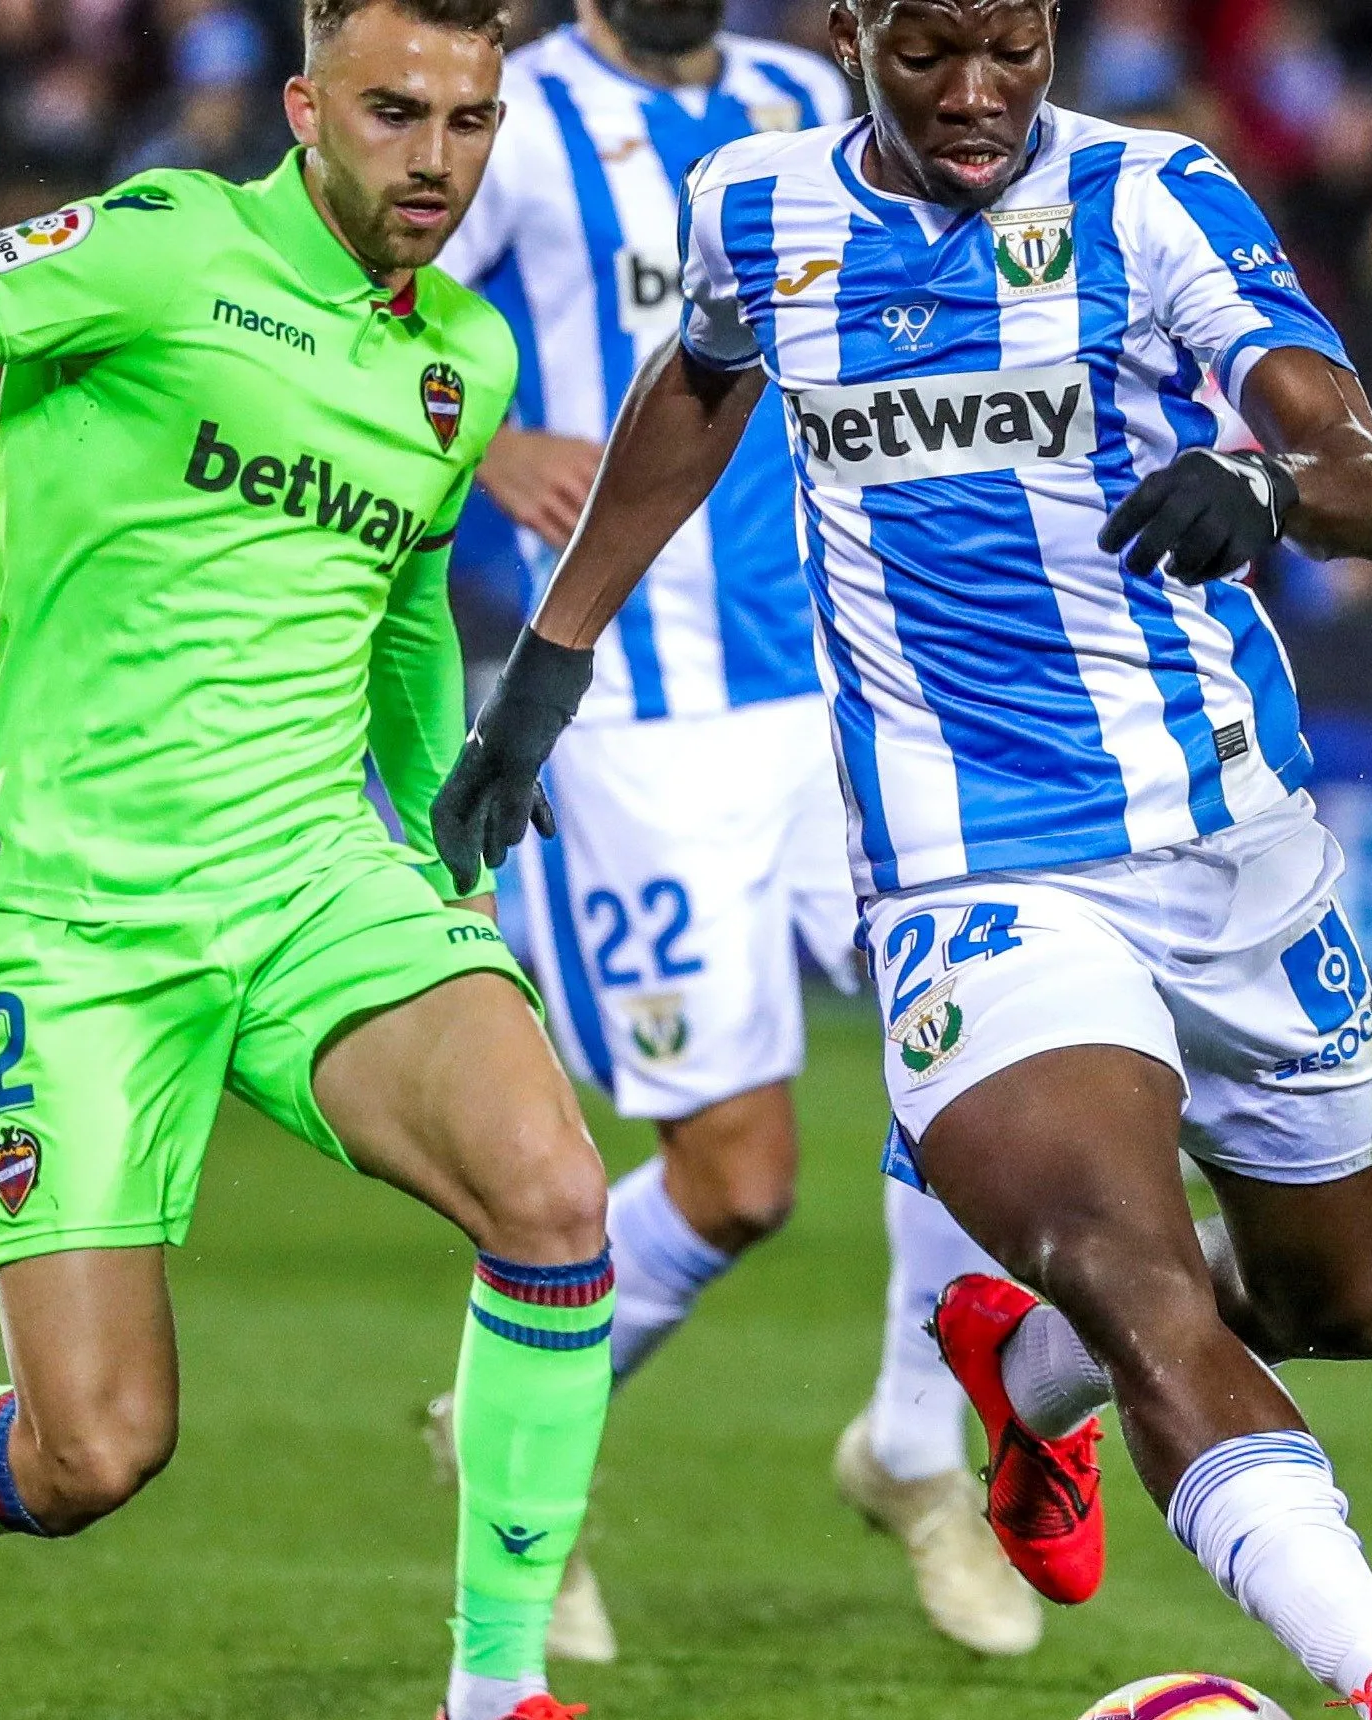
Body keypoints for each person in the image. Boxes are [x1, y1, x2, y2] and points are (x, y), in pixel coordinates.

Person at [432, 2, 1372, 1714]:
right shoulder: (762, 207)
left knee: (1343, 1302)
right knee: (1135, 1268)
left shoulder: (1152, 199)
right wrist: (545, 677)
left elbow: (1352, 462)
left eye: (1011, 44)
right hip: (967, 870)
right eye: (929, 50)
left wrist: (1269, 488)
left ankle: (1023, 1379)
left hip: (1227, 847)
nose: (978, 92)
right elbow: (696, 389)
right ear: (853, 28)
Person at [0, 4, 618, 1719]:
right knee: (93, 1452)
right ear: (303, 108)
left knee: (557, 1197)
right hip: (72, 913)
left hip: (311, 876)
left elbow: (399, 602)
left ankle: (497, 1691)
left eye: (471, 122)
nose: (435, 160)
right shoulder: (158, 246)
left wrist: (443, 838)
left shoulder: (460, 361)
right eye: (393, 112)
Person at [419, 0, 1039, 1661]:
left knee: (991, 1055)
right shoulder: (510, 116)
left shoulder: (801, 96)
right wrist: (492, 440)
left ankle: (917, 1447)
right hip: (634, 719)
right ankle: (503, 1436)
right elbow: (356, 304)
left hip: (851, 689)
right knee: (736, 1177)